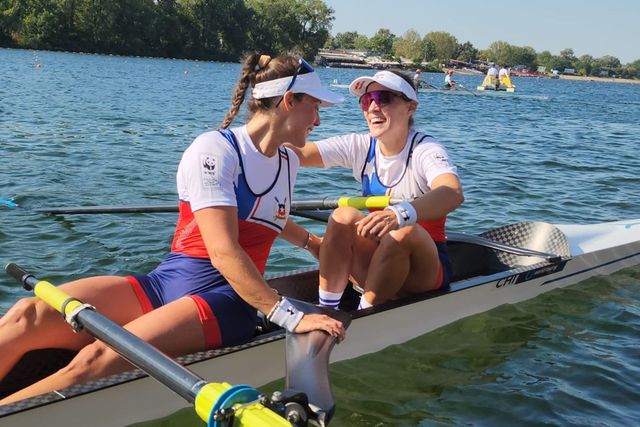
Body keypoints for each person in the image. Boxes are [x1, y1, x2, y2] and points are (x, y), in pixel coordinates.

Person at [0, 53, 346, 405]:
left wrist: (311, 243)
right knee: (28, 314)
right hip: (168, 281)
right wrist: (288, 316)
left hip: (228, 300)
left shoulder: (288, 161)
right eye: (315, 107)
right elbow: (223, 250)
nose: (318, 121)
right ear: (289, 101)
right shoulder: (214, 150)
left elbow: (267, 212)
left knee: (95, 360)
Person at [288, 70, 464, 311]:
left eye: (383, 98)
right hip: (376, 262)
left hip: (423, 272)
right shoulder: (360, 146)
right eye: (366, 101)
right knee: (342, 216)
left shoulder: (426, 149)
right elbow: (296, 154)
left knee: (404, 232)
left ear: (410, 107)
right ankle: (327, 310)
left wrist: (399, 214)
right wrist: (246, 143)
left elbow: (452, 192)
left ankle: (363, 316)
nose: (372, 108)